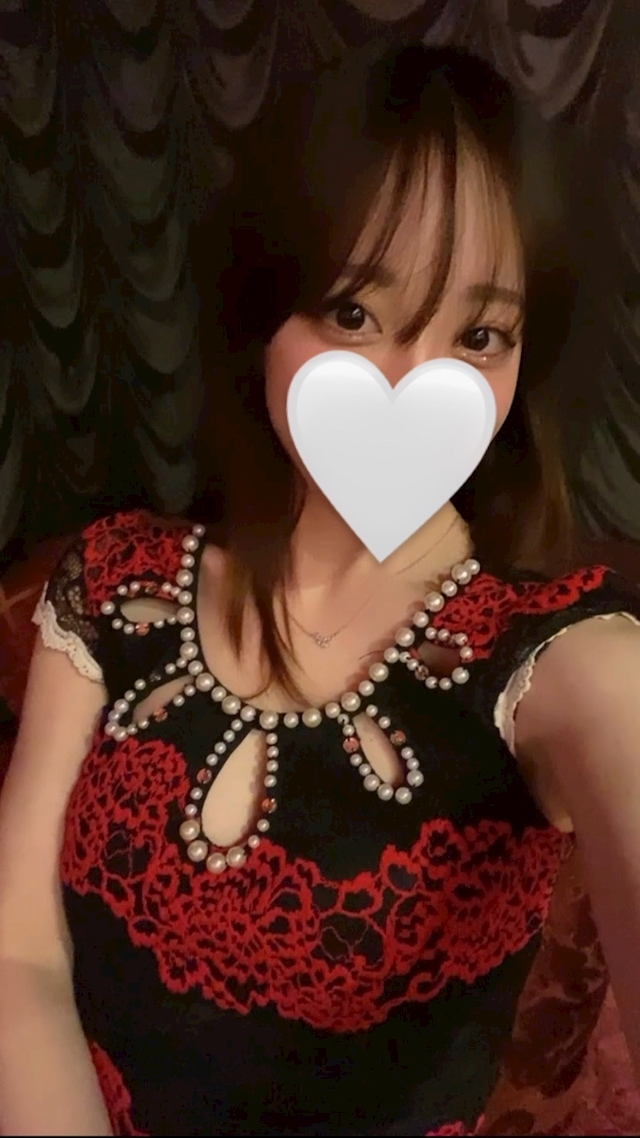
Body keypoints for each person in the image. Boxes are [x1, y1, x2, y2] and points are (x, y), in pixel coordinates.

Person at [0, 41, 639, 1138]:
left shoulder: (565, 659)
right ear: (263, 315)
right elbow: (16, 951)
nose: (412, 381)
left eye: (479, 335)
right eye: (352, 313)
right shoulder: (111, 584)